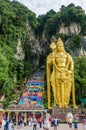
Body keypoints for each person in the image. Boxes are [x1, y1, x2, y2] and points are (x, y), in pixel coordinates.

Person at [46, 37, 77, 108]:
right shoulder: (54, 55)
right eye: (58, 46)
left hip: (66, 72)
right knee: (57, 89)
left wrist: (70, 70)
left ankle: (65, 103)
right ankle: (59, 103)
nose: (60, 47)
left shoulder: (67, 55)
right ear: (56, 47)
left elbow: (72, 63)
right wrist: (52, 60)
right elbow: (48, 64)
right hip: (57, 72)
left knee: (67, 88)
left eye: (61, 46)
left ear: (63, 47)